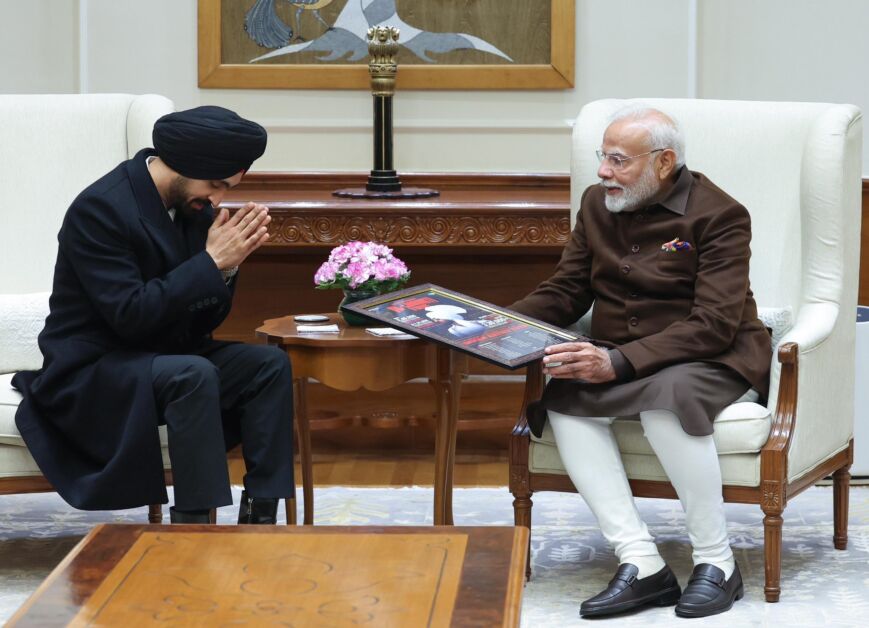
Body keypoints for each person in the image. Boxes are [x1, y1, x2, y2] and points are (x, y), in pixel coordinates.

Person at [509, 105, 771, 619]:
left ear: (664, 161)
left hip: (711, 354)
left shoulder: (720, 214)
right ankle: (642, 563)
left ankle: (717, 563)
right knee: (564, 396)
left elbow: (714, 323)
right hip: (624, 356)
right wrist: (494, 325)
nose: (603, 172)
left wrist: (618, 363)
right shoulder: (596, 203)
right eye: (601, 158)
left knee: (666, 400)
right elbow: (567, 289)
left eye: (617, 161)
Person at [12, 106, 295, 525]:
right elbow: (130, 315)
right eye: (215, 184)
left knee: (268, 365)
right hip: (96, 368)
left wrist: (226, 268)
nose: (217, 199)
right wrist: (211, 264)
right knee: (191, 373)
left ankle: (260, 516)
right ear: (184, 164)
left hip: (163, 356)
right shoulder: (100, 210)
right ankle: (193, 525)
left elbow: (203, 321)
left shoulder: (195, 209)